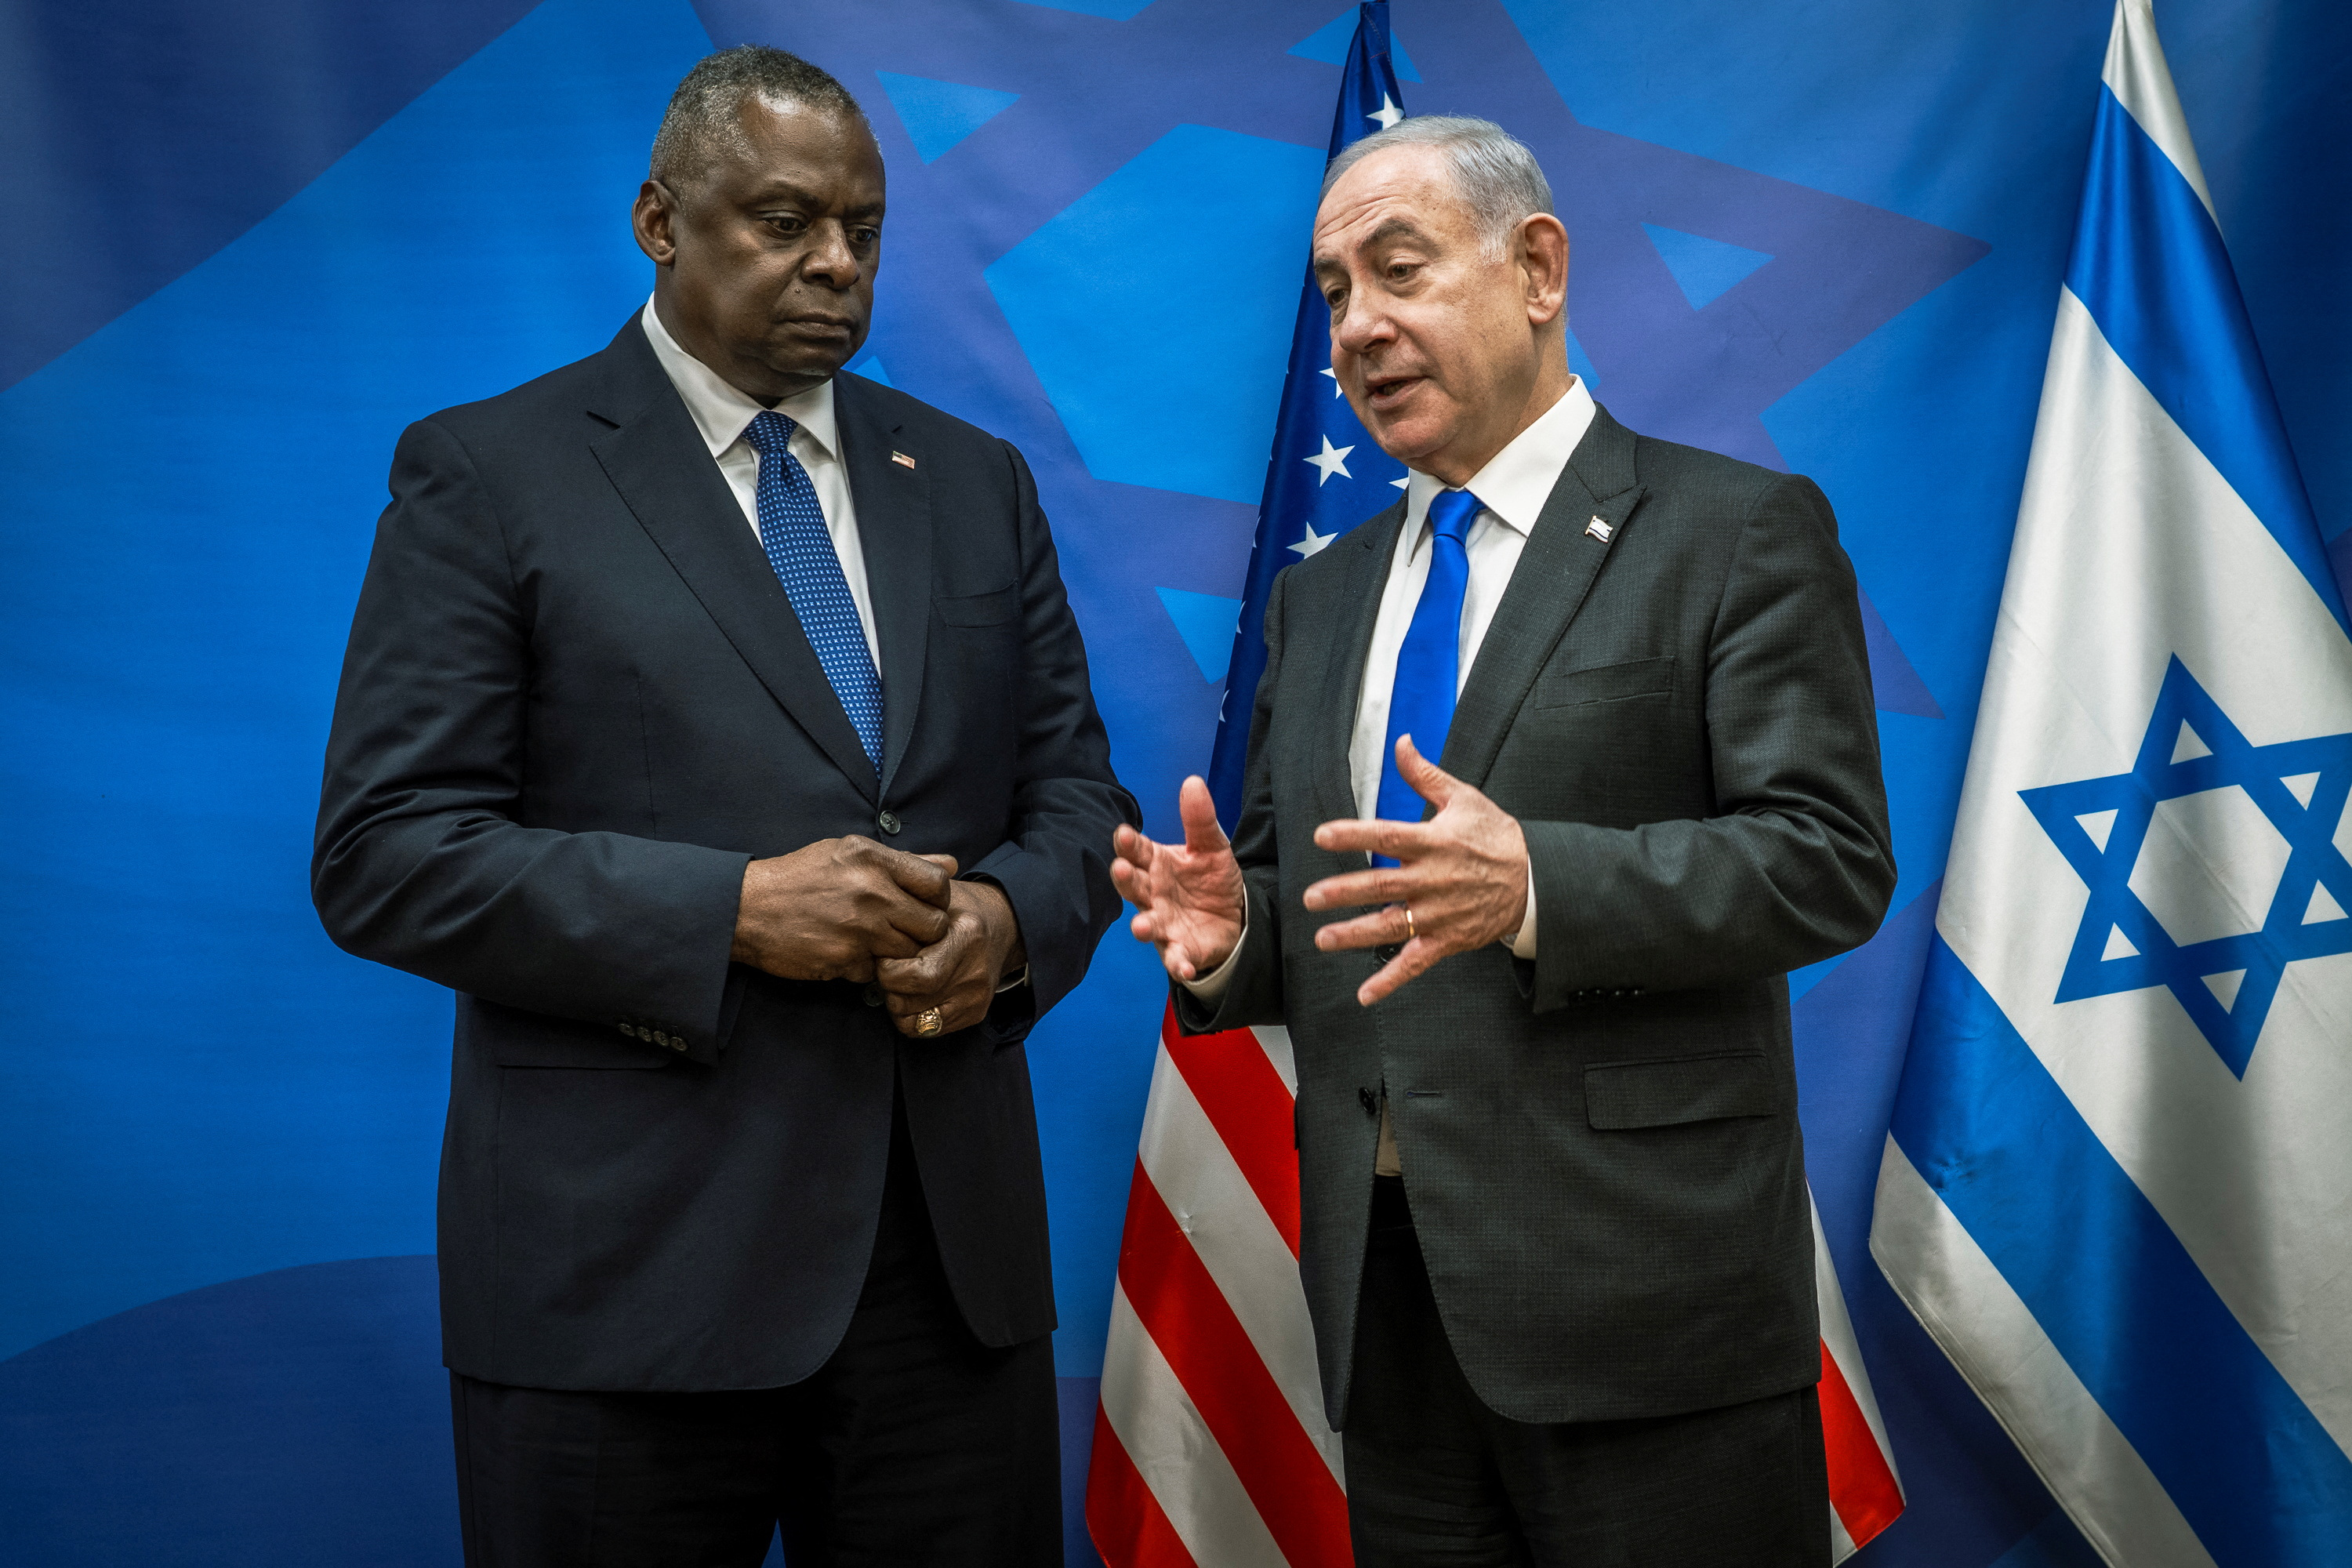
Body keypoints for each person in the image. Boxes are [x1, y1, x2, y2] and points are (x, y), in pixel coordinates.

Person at [313, 45, 1133, 1566]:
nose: (835, 261)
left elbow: (1080, 793)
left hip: (944, 1292)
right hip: (624, 1286)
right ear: (658, 221)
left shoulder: (974, 485)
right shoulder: (493, 474)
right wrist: (732, 915)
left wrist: (1014, 923)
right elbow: (386, 852)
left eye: (864, 229)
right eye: (783, 218)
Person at [1113, 115, 1894, 1566]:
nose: (1358, 328)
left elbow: (1826, 857)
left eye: (1396, 269)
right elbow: (1353, 904)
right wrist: (1239, 936)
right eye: (1335, 292)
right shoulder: (1326, 593)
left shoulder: (1732, 532)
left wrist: (1538, 884)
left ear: (1537, 268)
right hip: (1391, 1304)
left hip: (1648, 1308)